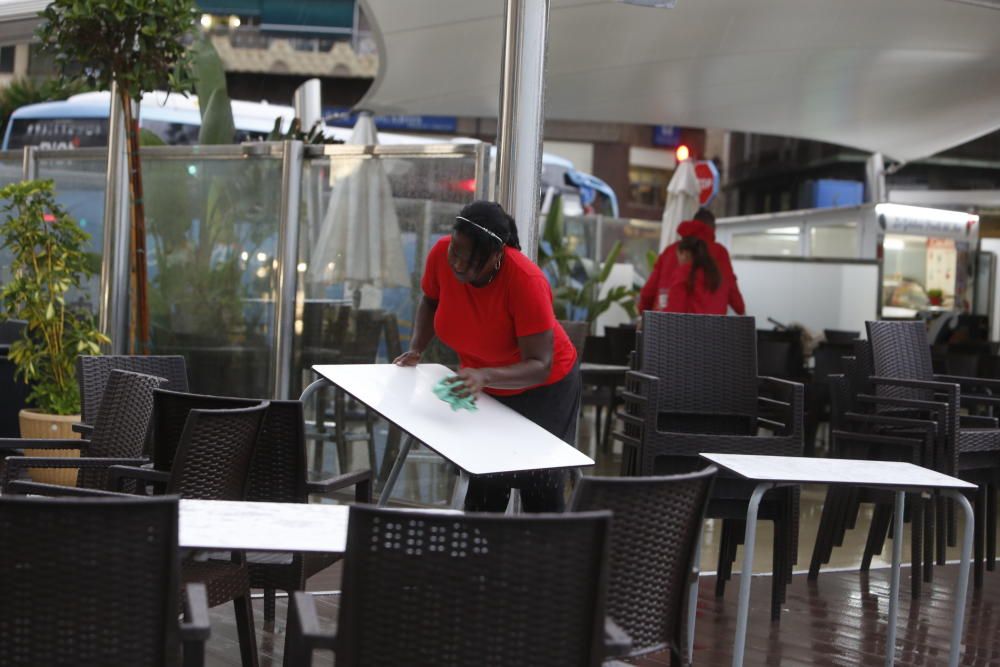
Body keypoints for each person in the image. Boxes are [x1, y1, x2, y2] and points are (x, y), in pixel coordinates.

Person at [393, 200, 581, 512]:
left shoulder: (525, 280)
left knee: (539, 486)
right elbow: (430, 300)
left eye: (473, 259)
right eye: (456, 251)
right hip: (484, 382)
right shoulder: (441, 254)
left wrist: (485, 375)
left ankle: (546, 559)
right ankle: (482, 558)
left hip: (545, 387)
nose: (459, 265)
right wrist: (417, 347)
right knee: (484, 481)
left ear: (497, 255)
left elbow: (540, 365)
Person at [638, 207, 745, 315]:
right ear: (713, 229)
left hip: (669, 324)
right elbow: (735, 297)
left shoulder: (671, 251)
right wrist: (741, 310)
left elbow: (648, 292)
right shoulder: (720, 253)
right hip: (712, 327)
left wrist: (643, 315)